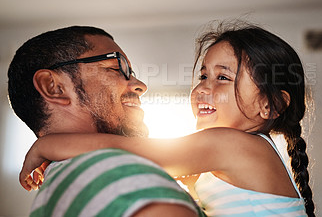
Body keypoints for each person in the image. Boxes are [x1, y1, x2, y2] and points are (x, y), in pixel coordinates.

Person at [20, 22, 315, 216]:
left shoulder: (233, 144)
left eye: (223, 77)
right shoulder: (232, 152)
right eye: (202, 76)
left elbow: (134, 152)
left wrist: (47, 147)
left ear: (269, 104)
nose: (202, 88)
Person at [8, 26, 205, 217]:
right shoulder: (117, 176)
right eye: (117, 67)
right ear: (54, 87)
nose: (140, 85)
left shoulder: (65, 185)